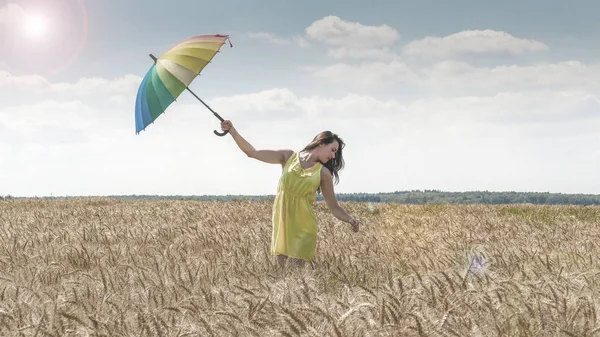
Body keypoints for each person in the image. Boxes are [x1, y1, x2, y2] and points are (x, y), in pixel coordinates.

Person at [220, 120, 360, 269]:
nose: (333, 156)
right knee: (280, 271)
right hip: (282, 222)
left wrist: (350, 219)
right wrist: (232, 131)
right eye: (333, 150)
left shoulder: (323, 173)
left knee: (294, 274)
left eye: (335, 153)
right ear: (321, 143)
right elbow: (252, 153)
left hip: (304, 226)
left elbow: (334, 207)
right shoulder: (288, 157)